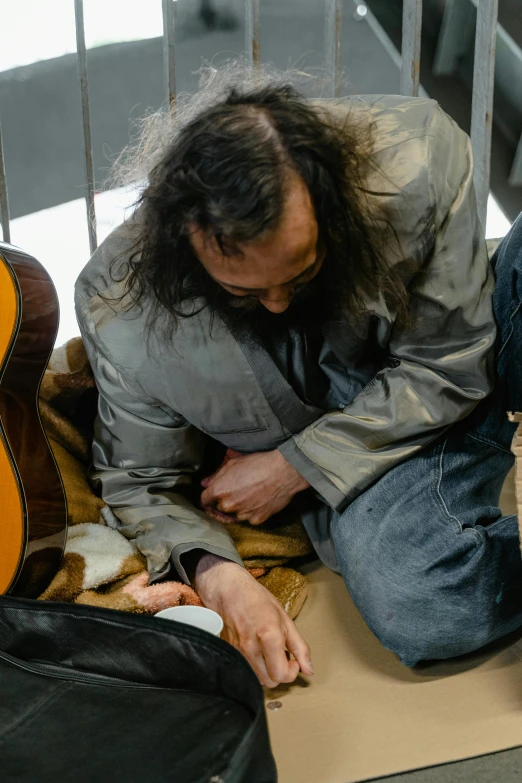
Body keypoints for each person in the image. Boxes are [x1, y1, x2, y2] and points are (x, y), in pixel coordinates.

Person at [75, 65, 522, 688]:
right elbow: (138, 480)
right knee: (422, 612)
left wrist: (290, 466)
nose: (280, 303)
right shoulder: (120, 308)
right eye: (244, 289)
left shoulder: (413, 159)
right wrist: (219, 577)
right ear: (184, 245)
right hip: (384, 471)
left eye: (302, 273)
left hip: (461, 367)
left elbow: (449, 361)